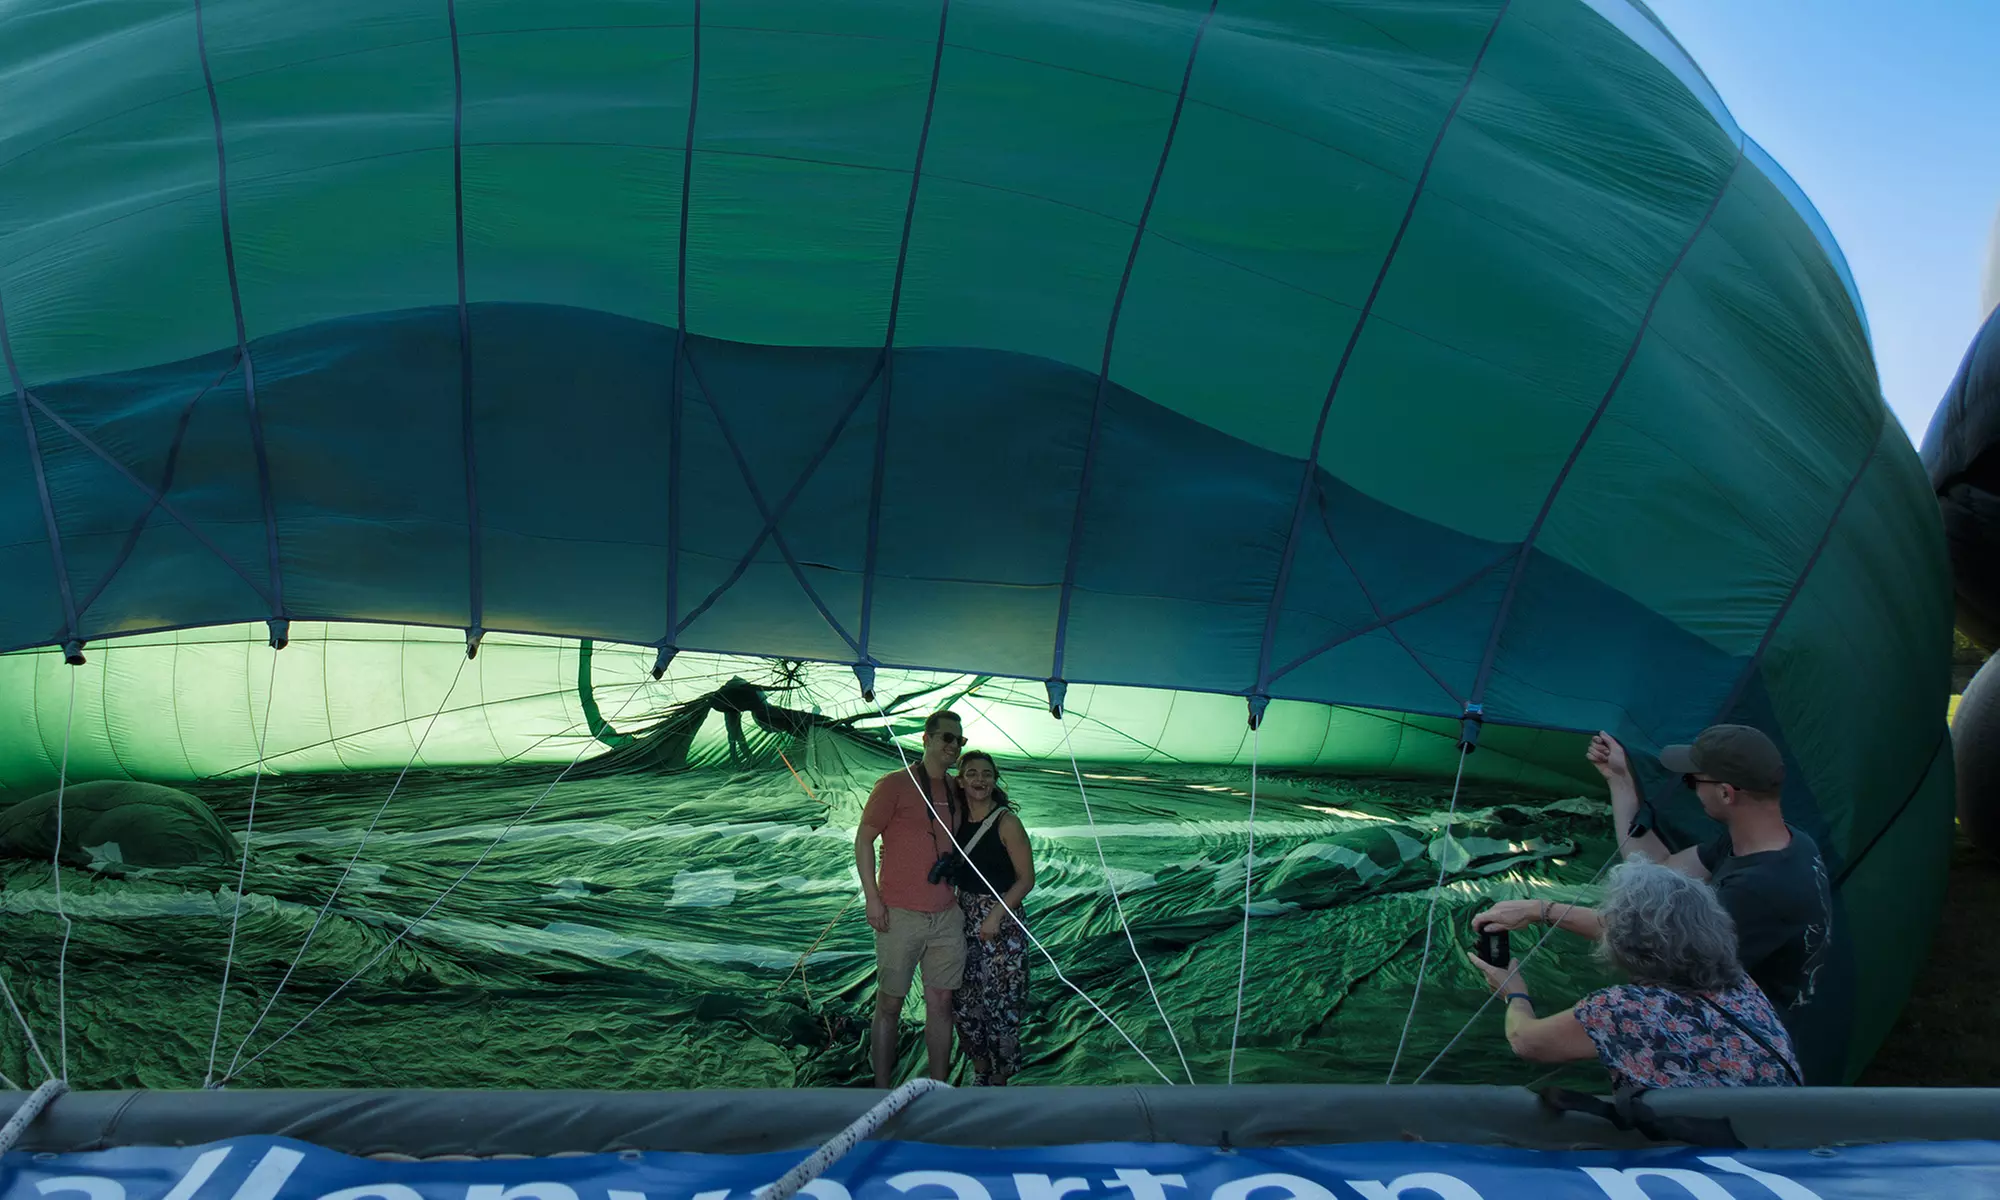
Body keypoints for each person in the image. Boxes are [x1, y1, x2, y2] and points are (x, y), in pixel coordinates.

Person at [1474, 724, 1831, 1023]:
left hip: (1747, 1041)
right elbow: (1658, 869)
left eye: (1692, 781)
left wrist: (1540, 910)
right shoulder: (1782, 843)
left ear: (1726, 793)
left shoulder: (1757, 889)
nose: (1690, 789)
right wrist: (1620, 780)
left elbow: (1643, 939)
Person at [1467, 860, 1803, 1090]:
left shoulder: (1625, 1010)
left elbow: (1527, 1041)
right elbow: (1650, 933)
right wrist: (1540, 910)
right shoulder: (1740, 983)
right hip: (1785, 1140)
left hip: (1711, 1159)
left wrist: (1515, 994)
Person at [854, 709, 967, 1087]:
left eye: (960, 740)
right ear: (927, 739)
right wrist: (872, 897)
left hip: (946, 915)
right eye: (947, 738)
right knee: (890, 1004)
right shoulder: (894, 784)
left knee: (941, 1004)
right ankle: (881, 1090)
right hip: (900, 913)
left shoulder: (956, 789)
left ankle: (938, 1088)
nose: (954, 746)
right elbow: (864, 839)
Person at [946, 750, 1034, 1086]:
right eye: (971, 773)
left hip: (1002, 920)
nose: (979, 780)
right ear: (961, 780)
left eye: (986, 774)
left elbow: (1026, 879)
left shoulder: (1006, 822)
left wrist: (995, 916)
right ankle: (980, 1069)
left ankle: (1000, 1078)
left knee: (1002, 1002)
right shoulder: (954, 821)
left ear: (995, 779)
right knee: (966, 1001)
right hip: (964, 917)